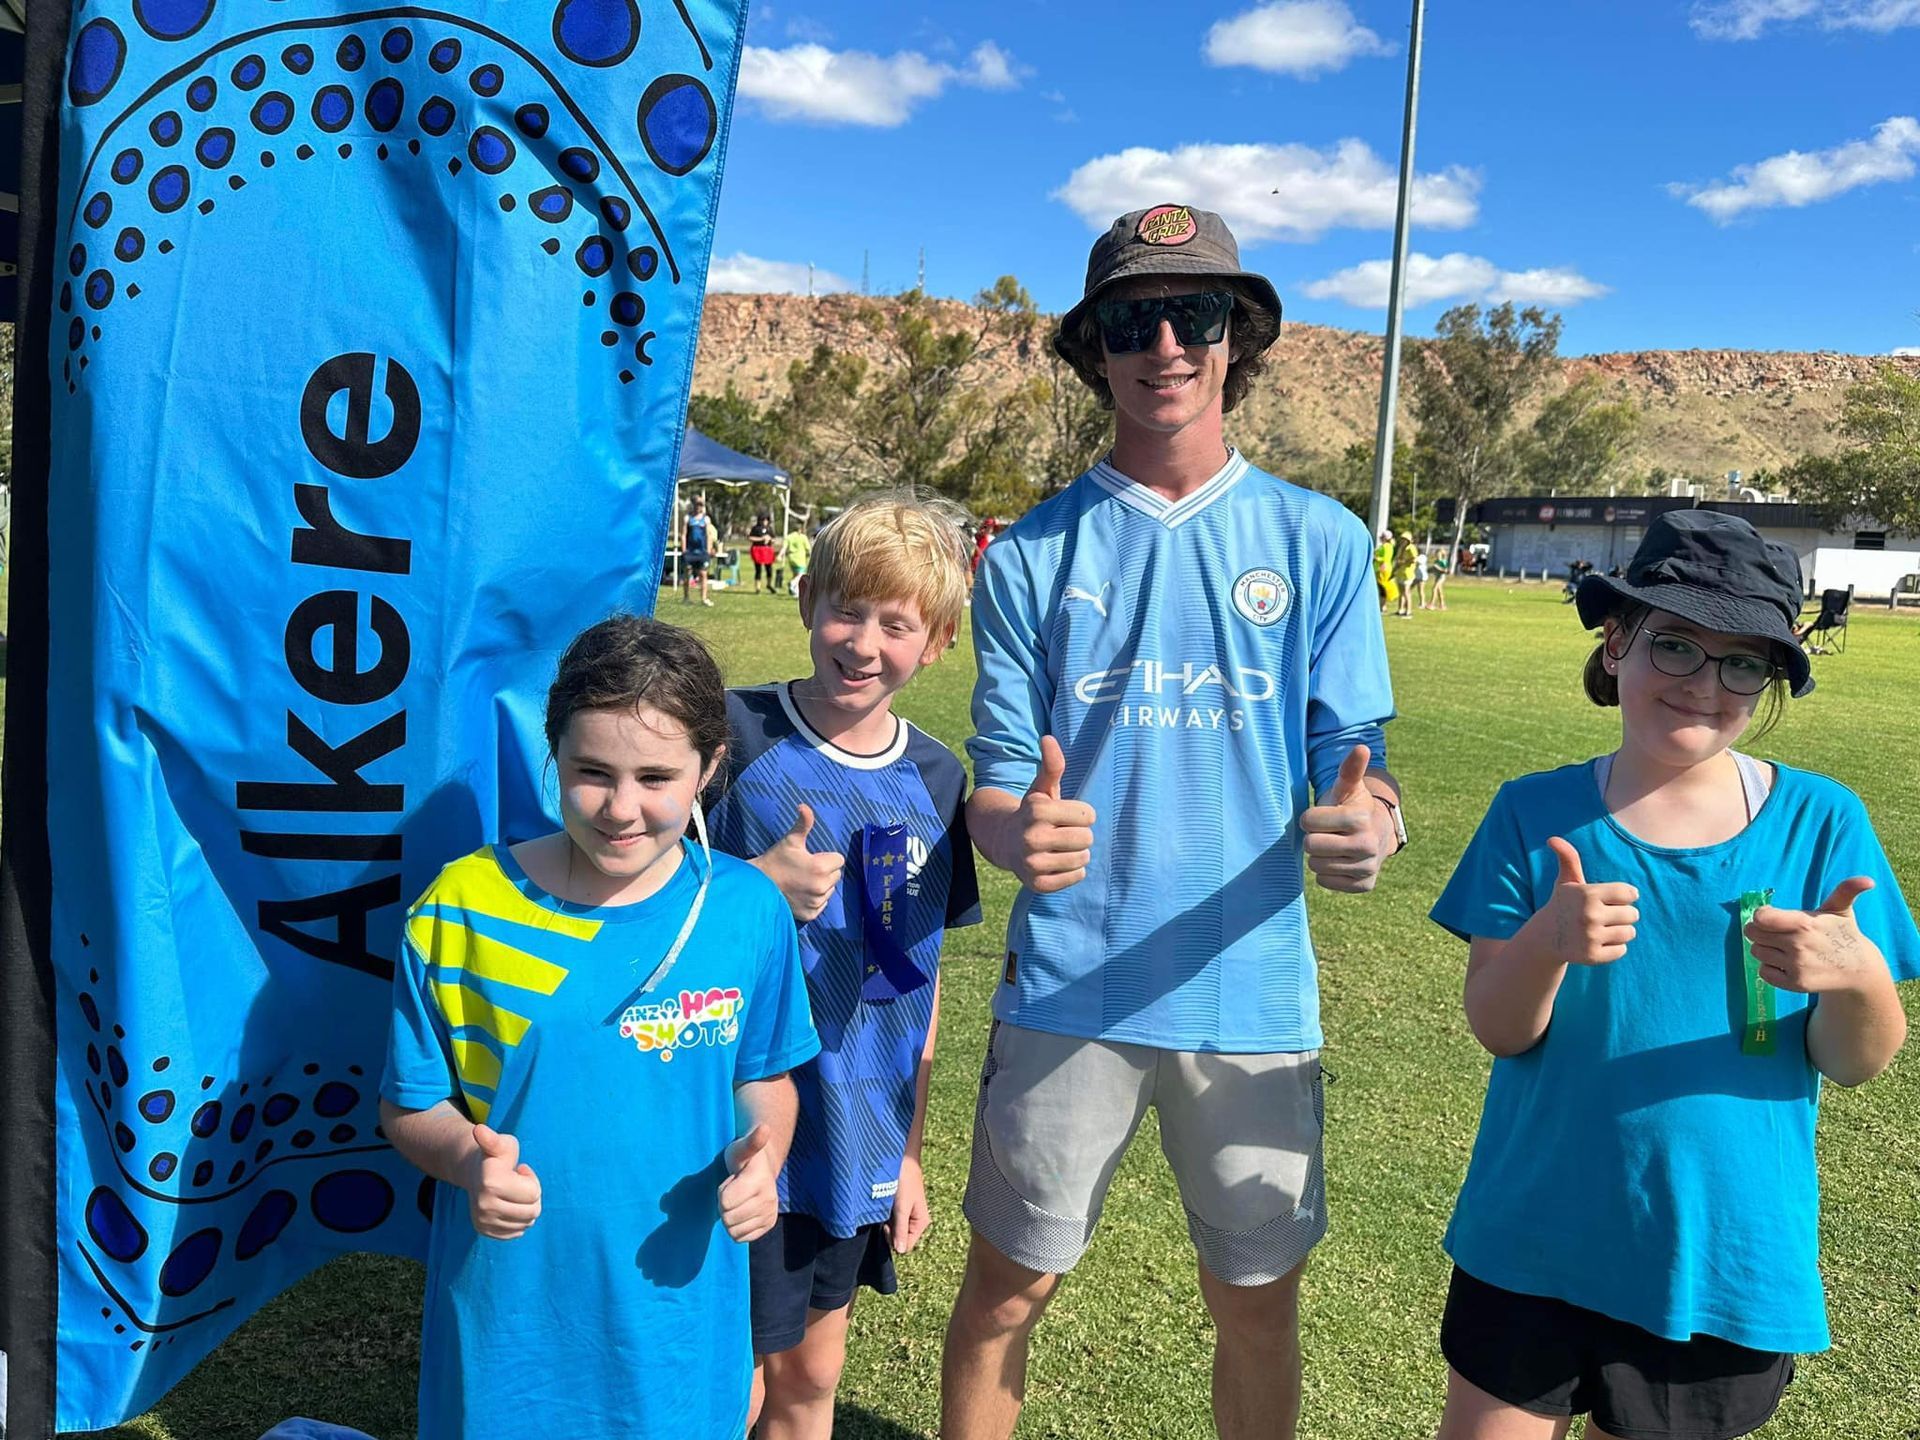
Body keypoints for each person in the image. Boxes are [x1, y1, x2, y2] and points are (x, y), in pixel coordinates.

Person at [942, 203, 1405, 1440]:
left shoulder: (1319, 539)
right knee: (1004, 1295)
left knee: (1255, 1305)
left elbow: (1357, 761)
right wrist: (1008, 833)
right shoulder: (1029, 555)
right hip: (1068, 984)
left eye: (1192, 314)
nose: (1163, 344)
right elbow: (996, 779)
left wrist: (1376, 825)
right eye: (1131, 320)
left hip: (1250, 990)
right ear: (1094, 345)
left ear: (1233, 339)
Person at [1429, 510, 1918, 1440]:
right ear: (1617, 642)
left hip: (1720, 1253)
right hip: (1534, 1234)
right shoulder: (1535, 813)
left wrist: (1857, 976)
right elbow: (1498, 1026)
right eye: (1678, 646)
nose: (1704, 685)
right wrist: (1544, 943)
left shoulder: (1822, 822)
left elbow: (1855, 1061)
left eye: (1742, 663)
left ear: (1769, 680)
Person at [380, 616, 821, 1440]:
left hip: (679, 1333)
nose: (622, 809)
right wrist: (464, 1163)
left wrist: (766, 1156)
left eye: (657, 776)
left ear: (709, 769)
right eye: (591, 772)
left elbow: (763, 1078)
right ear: (553, 752)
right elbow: (409, 1104)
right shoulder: (465, 905)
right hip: (510, 1334)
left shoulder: (745, 909)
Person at [709, 493, 983, 1440]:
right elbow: (633, 894)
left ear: (937, 641)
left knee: (811, 1377)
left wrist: (906, 1154)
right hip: (730, 1117)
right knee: (717, 1379)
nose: (864, 642)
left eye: (896, 623)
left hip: (854, 1130)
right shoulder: (730, 733)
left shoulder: (940, 780)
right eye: (847, 609)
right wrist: (752, 886)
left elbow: (921, 977)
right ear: (804, 601)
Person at [683, 493, 716, 606]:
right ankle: (686, 597)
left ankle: (704, 598)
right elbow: (684, 534)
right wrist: (684, 549)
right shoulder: (688, 518)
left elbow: (709, 535)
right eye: (697, 505)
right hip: (690, 551)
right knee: (687, 573)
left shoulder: (706, 519)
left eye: (701, 505)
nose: (699, 507)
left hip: (702, 551)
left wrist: (709, 549)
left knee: (703, 574)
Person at [782, 520, 813, 597]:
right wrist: (810, 555)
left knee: (795, 574)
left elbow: (784, 547)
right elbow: (808, 549)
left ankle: (794, 591)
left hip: (791, 558)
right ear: (800, 529)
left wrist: (780, 555)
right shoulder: (803, 537)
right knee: (801, 574)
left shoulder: (788, 537)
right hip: (800, 558)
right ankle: (792, 583)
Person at [750, 511, 778, 594]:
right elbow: (751, 538)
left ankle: (769, 584)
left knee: (769, 569)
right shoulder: (755, 528)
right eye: (763, 520)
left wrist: (770, 539)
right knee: (758, 569)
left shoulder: (769, 528)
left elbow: (774, 539)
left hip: (767, 550)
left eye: (766, 520)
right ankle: (757, 587)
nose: (765, 522)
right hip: (758, 549)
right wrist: (762, 539)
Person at [1393, 531, 1418, 618]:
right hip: (1400, 572)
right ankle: (1400, 609)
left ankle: (1408, 611)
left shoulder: (1411, 548)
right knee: (1401, 592)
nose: (1403, 541)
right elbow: (1397, 560)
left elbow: (1414, 559)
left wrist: (1404, 562)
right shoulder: (1401, 548)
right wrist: (1394, 570)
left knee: (1406, 592)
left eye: (1405, 539)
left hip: (1408, 572)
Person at [1375, 528, 1395, 612]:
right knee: (1380, 588)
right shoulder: (1386, 546)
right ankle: (1382, 605)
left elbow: (1385, 558)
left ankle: (1383, 606)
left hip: (1383, 569)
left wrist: (1376, 558)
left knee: (1382, 588)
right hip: (1381, 569)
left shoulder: (1386, 546)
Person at [1427, 544, 1451, 611]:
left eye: (1438, 554)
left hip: (1441, 577)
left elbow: (1446, 571)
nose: (1437, 555)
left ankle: (1432, 604)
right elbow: (1433, 569)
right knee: (1439, 591)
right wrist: (1429, 570)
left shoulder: (1443, 561)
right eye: (1436, 554)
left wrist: (1438, 568)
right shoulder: (1436, 561)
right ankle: (1442, 605)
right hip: (1437, 577)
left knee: (1434, 589)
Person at [1413, 542, 1431, 610]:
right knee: (1410, 588)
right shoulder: (1418, 557)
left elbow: (1416, 561)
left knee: (1421, 590)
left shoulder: (1422, 557)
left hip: (1422, 576)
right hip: (1416, 576)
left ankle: (1422, 603)